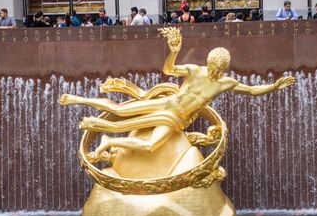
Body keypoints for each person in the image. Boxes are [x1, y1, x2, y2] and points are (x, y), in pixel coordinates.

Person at [60, 27, 295, 157]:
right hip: (167, 104)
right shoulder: (195, 70)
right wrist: (174, 51)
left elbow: (252, 91)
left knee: (151, 145)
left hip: (177, 119)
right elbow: (168, 69)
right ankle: (78, 99)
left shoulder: (225, 83)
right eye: (212, 66)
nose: (213, 71)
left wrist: (274, 86)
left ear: (223, 69)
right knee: (120, 110)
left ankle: (110, 141)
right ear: (209, 61)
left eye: (217, 69)